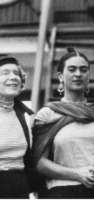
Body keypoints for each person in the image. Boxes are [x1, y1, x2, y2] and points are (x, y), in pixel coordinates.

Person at [32, 47, 94, 199]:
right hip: (63, 193)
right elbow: (39, 163)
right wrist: (77, 174)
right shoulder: (48, 114)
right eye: (72, 69)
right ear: (61, 76)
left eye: (83, 70)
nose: (78, 74)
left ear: (88, 76)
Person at [0, 55, 34, 198]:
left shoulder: (28, 117)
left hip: (18, 187)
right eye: (5, 73)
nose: (13, 77)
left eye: (16, 73)